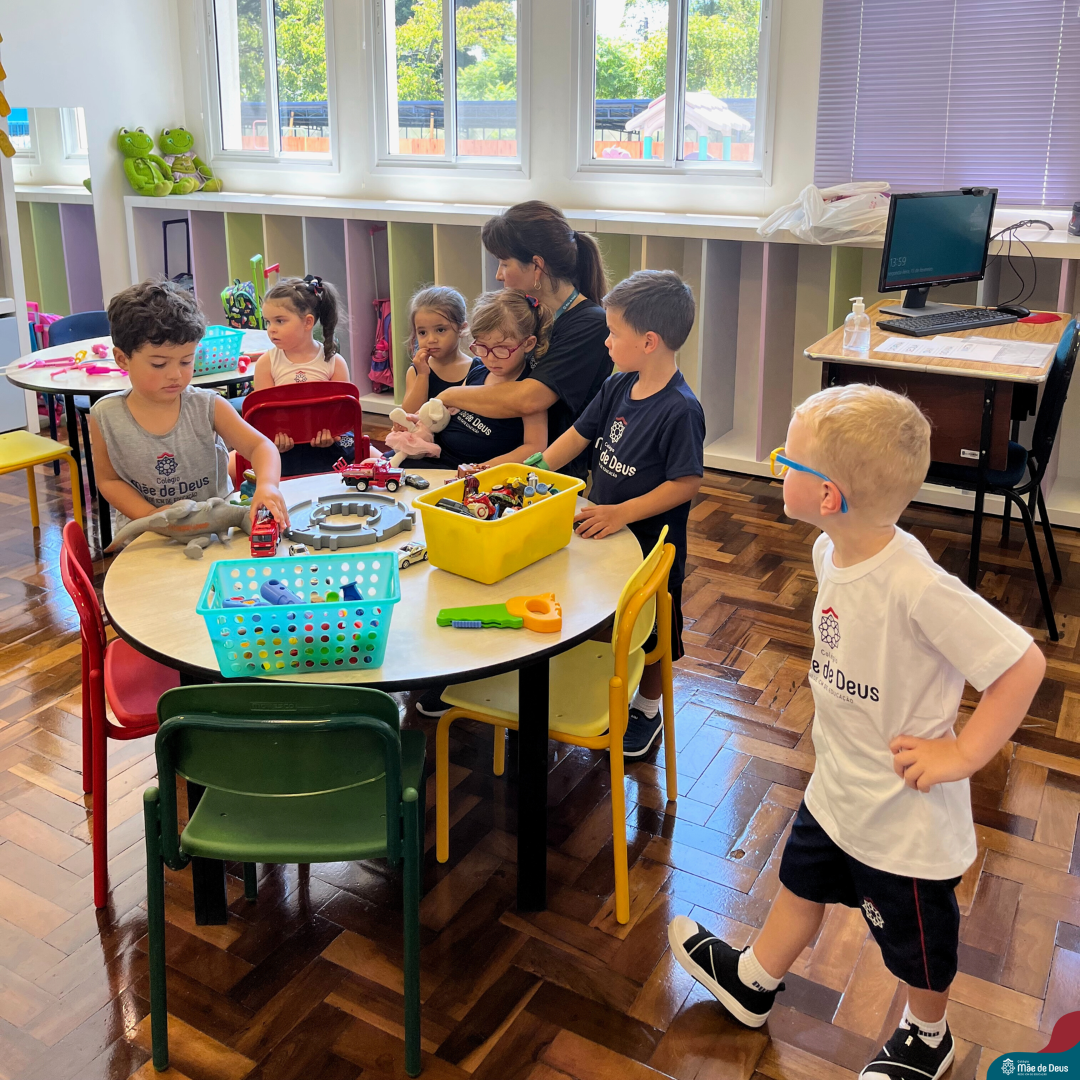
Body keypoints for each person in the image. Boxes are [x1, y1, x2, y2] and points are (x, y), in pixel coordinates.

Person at [666, 384, 1045, 1080]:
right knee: (799, 884)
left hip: (902, 817)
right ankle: (754, 981)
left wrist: (963, 753)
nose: (778, 466)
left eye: (787, 460)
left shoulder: (917, 585)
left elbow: (1022, 664)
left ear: (828, 495)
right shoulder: (828, 551)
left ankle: (928, 1036)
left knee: (915, 945)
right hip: (838, 786)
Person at [523, 269, 705, 757]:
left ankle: (647, 709)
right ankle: (592, 683)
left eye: (613, 333)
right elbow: (577, 436)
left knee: (654, 632)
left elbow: (687, 483)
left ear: (648, 341)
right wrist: (533, 471)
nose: (605, 342)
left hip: (651, 549)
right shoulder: (618, 385)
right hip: (602, 532)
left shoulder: (681, 410)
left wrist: (622, 512)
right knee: (601, 613)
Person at [89, 279, 287, 529]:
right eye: (159, 364)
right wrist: (151, 514)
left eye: (186, 361)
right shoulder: (105, 415)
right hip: (148, 531)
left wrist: (267, 485)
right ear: (122, 359)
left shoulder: (208, 405)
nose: (175, 374)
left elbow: (261, 446)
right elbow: (109, 480)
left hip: (216, 528)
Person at [437, 201, 612, 481]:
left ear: (537, 266)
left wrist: (449, 395)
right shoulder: (531, 311)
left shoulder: (590, 324)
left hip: (543, 474)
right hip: (498, 450)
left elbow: (530, 398)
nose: (499, 274)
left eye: (505, 263)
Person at [246, 274, 350, 477]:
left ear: (307, 322)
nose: (271, 330)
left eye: (279, 321)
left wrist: (331, 433)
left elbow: (342, 416)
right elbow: (263, 418)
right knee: (236, 463)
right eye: (268, 322)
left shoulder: (334, 362)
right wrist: (275, 438)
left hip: (329, 448)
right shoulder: (266, 363)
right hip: (281, 450)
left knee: (374, 458)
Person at [436, 289, 552, 471]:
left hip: (473, 473)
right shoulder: (477, 370)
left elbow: (534, 447)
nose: (490, 358)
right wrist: (419, 423)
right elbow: (448, 409)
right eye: (482, 347)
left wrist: (484, 469)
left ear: (528, 344)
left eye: (502, 349)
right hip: (437, 456)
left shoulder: (529, 389)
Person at [399, 286, 475, 414]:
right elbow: (409, 414)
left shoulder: (476, 369)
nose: (431, 340)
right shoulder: (416, 371)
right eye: (422, 332)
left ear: (462, 329)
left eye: (440, 330)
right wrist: (423, 375)